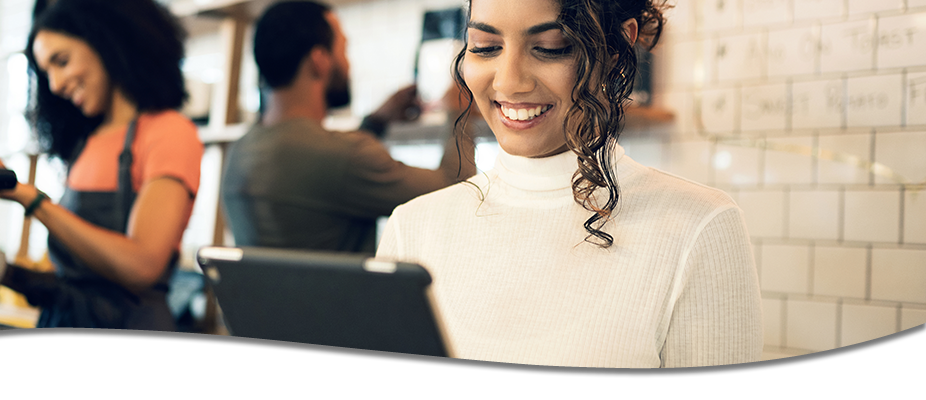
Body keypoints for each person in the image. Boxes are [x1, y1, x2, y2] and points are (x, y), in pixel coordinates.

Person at [375, 0, 763, 367]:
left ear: (616, 48)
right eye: (486, 46)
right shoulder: (414, 227)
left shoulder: (699, 228)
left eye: (550, 47)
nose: (510, 83)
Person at [0, 0, 202, 369]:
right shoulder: (87, 144)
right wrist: (0, 273)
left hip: (132, 359)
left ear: (105, 41)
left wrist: (32, 200)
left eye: (62, 60)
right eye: (46, 72)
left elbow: (141, 266)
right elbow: (78, 283)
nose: (55, 84)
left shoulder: (168, 132)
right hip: (65, 351)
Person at [222, 0, 479, 255]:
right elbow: (457, 189)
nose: (348, 64)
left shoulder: (240, 152)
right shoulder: (345, 156)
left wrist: (375, 123)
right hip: (342, 297)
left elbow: (325, 172)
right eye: (343, 50)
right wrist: (461, 111)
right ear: (319, 61)